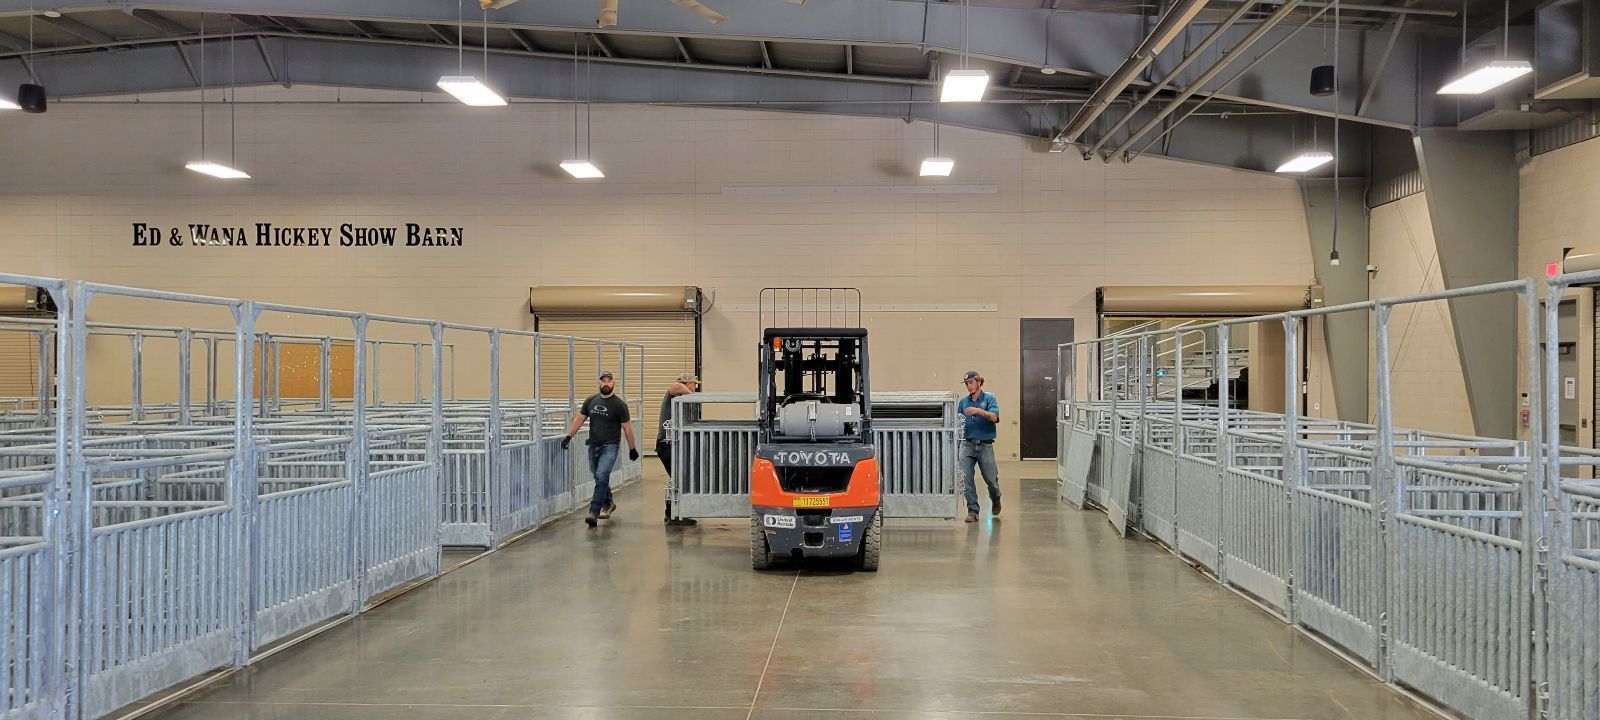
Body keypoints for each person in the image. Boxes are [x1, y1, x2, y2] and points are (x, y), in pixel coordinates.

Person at [562, 370, 640, 528]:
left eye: (609, 381)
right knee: (599, 477)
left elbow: (627, 428)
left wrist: (632, 448)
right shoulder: (591, 400)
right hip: (593, 445)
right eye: (603, 380)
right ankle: (609, 503)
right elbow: (579, 419)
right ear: (599, 382)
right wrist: (569, 436)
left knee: (601, 474)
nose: (606, 383)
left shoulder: (620, 405)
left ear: (613, 383)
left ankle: (593, 511)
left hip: (610, 446)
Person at [958, 370, 1002, 522]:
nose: (968, 386)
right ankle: (973, 511)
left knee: (991, 479)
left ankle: (996, 499)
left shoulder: (989, 399)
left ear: (978, 382)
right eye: (966, 383)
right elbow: (958, 422)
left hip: (985, 445)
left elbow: (994, 417)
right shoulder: (963, 402)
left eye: (971, 382)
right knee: (965, 479)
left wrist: (977, 410)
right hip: (967, 444)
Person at [658, 373, 699, 527]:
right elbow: (675, 386)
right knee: (677, 479)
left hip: (673, 444)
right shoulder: (673, 394)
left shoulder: (681, 400)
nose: (695, 387)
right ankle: (672, 515)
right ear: (687, 383)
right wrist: (691, 395)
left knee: (677, 478)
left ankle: (675, 513)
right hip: (666, 444)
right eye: (693, 384)